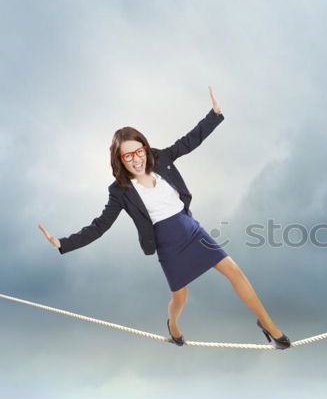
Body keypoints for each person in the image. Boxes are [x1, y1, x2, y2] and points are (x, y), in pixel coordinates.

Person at [38, 86, 291, 349]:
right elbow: (100, 226)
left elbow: (190, 141)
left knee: (234, 272)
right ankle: (172, 325)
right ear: (119, 159)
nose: (136, 159)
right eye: (128, 155)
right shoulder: (120, 191)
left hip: (192, 230)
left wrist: (214, 115)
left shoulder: (161, 159)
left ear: (145, 149)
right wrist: (63, 243)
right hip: (167, 244)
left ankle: (267, 324)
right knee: (180, 298)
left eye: (139, 151)